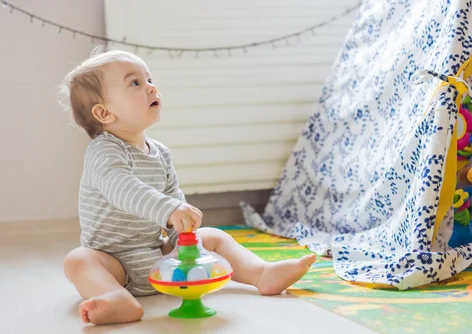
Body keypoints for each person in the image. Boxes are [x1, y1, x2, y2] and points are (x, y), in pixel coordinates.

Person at [59, 48, 316, 325]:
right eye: (135, 83)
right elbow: (123, 188)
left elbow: (173, 200)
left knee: (213, 237)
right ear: (104, 113)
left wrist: (182, 233)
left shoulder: (160, 152)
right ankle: (114, 298)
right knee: (79, 260)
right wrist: (169, 209)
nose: (151, 87)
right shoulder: (104, 151)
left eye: (149, 79)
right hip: (113, 264)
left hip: (156, 257)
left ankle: (260, 274)